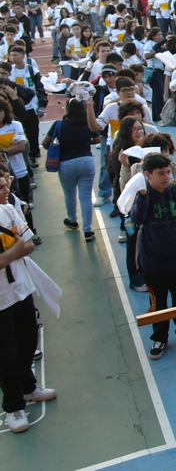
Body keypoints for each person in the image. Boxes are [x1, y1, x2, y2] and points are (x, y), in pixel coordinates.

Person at [130, 153, 176, 360]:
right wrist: (143, 196)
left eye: (168, 172)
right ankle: (159, 337)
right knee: (157, 303)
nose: (166, 177)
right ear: (147, 175)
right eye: (160, 173)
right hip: (153, 263)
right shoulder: (142, 195)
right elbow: (137, 219)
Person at [0, 173, 54, 433]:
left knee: (28, 339)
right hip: (1, 299)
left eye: (4, 184)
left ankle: (29, 387)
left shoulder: (9, 208)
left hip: (20, 289)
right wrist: (15, 250)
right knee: (5, 353)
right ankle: (13, 405)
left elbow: (29, 244)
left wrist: (13, 251)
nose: (4, 189)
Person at [42, 97, 100, 241]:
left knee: (69, 194)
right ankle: (88, 230)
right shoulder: (88, 123)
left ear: (67, 110)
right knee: (86, 196)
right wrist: (86, 141)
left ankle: (72, 220)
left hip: (66, 163)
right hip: (87, 160)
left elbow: (45, 143)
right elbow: (98, 139)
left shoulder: (59, 124)